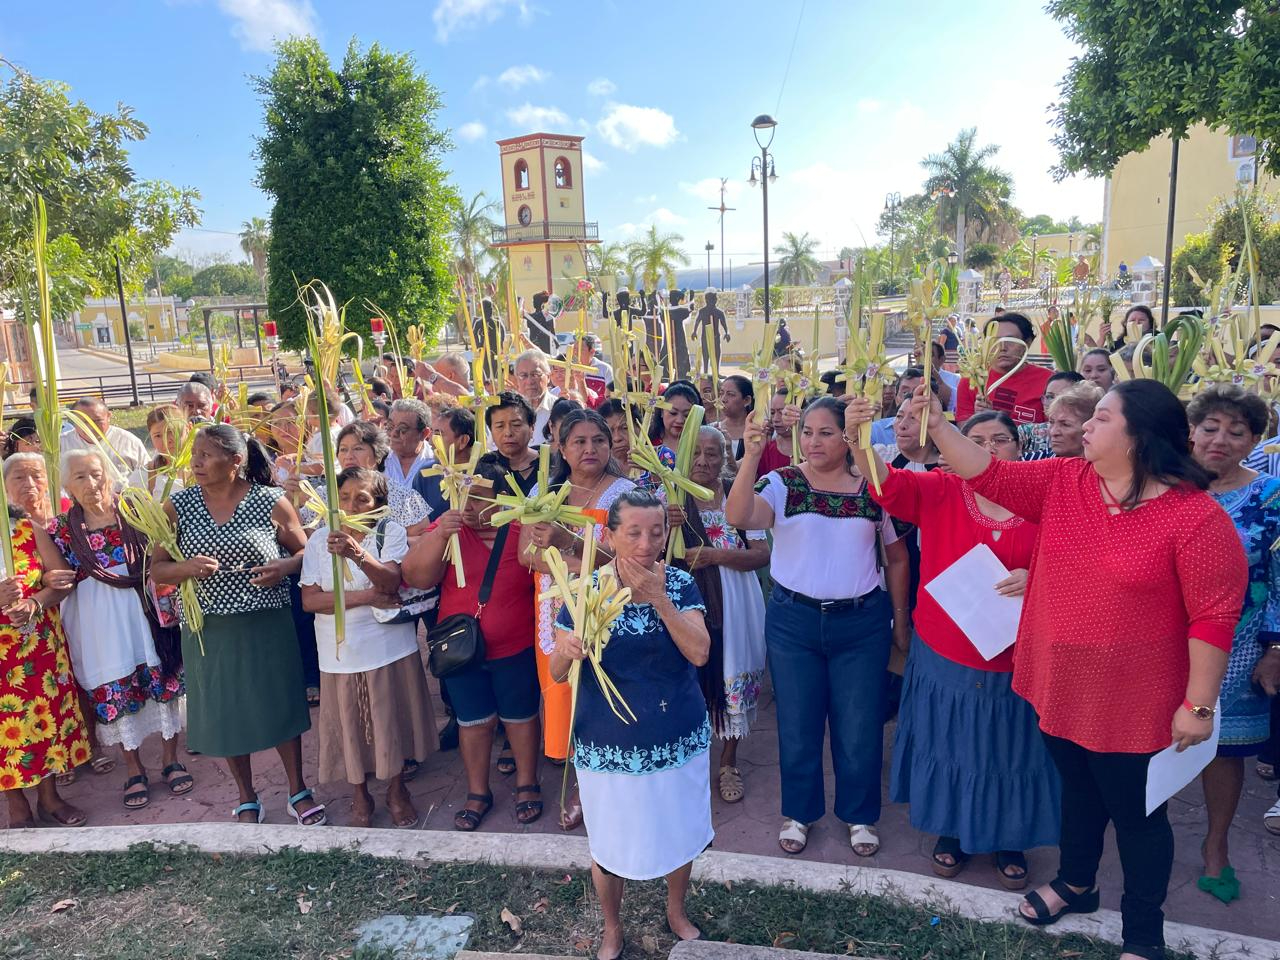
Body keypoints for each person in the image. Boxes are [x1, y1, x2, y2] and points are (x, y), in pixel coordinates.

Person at [911, 379, 1247, 960]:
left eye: (1103, 418)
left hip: (1132, 704)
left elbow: (1213, 619)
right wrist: (938, 425)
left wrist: (1198, 705)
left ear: (1138, 437)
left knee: (1138, 819)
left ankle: (1143, 934)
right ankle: (1076, 883)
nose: (1086, 425)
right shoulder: (1067, 480)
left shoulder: (1194, 519)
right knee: (1078, 793)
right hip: (1057, 685)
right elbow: (988, 474)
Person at [844, 401, 1056, 888]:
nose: (987, 449)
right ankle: (952, 832)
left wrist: (1038, 575)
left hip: (1018, 657)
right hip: (946, 652)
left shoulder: (1045, 497)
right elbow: (885, 484)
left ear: (1020, 447)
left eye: (999, 440)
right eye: (974, 441)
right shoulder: (941, 490)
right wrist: (858, 438)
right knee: (951, 744)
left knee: (1011, 750)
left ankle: (1010, 839)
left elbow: (1080, 558)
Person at [726, 397, 910, 857]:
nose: (814, 441)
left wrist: (900, 622)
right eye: (807, 432)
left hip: (861, 623)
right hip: (794, 622)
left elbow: (897, 557)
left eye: (826, 432)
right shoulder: (782, 483)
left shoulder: (872, 487)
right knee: (798, 722)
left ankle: (860, 815)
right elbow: (738, 516)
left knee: (859, 723)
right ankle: (800, 812)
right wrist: (750, 456)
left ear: (848, 437)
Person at [551, 489, 711, 959]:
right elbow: (557, 673)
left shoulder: (678, 584)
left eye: (656, 533)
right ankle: (612, 926)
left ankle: (676, 910)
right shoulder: (585, 590)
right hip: (608, 743)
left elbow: (699, 652)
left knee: (679, 830)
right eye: (634, 532)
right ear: (610, 536)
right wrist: (567, 649)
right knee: (610, 842)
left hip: (675, 737)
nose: (646, 544)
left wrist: (660, 600)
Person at [151, 425, 324, 826]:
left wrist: (283, 567)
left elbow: (305, 552)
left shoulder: (270, 501)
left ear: (235, 461)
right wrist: (186, 568)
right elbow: (157, 568)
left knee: (279, 702)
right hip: (208, 628)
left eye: (206, 455)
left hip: (266, 624)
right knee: (226, 709)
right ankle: (247, 796)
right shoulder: (178, 505)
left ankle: (298, 789)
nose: (196, 462)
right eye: (194, 454)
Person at [404, 459, 542, 830]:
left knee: (520, 718)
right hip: (460, 650)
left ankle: (527, 783)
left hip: (515, 647)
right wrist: (439, 535)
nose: (470, 506)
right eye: (464, 496)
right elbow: (415, 576)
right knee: (473, 722)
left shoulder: (520, 529)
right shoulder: (448, 529)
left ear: (503, 499)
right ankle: (478, 791)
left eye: (480, 497)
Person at [52, 449, 190, 810]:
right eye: (80, 477)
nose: (91, 483)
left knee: (162, 682)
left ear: (109, 475)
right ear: (68, 486)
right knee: (117, 692)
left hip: (145, 613)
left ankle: (171, 760)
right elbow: (57, 578)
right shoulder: (61, 529)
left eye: (96, 473)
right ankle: (134, 769)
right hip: (98, 625)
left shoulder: (136, 510)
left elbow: (165, 549)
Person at [520, 409, 636, 830]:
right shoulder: (544, 491)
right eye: (579, 442)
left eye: (599, 440)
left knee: (606, 696)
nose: (590, 449)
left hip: (607, 609)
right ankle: (583, 780)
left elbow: (630, 558)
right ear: (562, 448)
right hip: (556, 613)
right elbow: (525, 555)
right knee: (566, 694)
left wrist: (567, 545)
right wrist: (572, 565)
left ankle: (601, 786)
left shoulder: (625, 494)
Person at [1186, 386, 1280, 902]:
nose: (1220, 439)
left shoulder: (1271, 496)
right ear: (1191, 431)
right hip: (1157, 637)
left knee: (1223, 749)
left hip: (1239, 644)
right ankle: (1139, 832)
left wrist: (1276, 648)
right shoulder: (1164, 486)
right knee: (1141, 741)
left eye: (1236, 431)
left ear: (1253, 441)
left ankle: (1216, 846)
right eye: (1210, 428)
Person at [300, 467, 433, 829]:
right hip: (340, 652)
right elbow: (311, 601)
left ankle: (397, 790)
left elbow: (390, 582)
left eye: (362, 499)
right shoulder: (319, 540)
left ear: (378, 503)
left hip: (387, 646)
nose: (351, 506)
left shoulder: (389, 531)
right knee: (349, 723)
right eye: (343, 498)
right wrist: (366, 597)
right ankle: (360, 793)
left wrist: (356, 553)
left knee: (390, 719)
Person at [683, 426, 769, 804]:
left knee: (734, 672)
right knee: (690, 681)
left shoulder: (740, 494)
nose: (703, 461)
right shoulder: (669, 496)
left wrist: (715, 556)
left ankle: (728, 762)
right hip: (688, 603)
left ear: (725, 458)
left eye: (712, 453)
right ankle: (689, 763)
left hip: (737, 601)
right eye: (695, 452)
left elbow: (761, 555)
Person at [0, 504, 87, 828]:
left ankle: (49, 799)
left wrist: (35, 602)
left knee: (43, 717)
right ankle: (16, 803)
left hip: (37, 648)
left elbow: (64, 582)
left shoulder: (26, 530)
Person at [296, 421, 431, 537]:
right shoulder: (324, 495)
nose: (349, 456)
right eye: (343, 449)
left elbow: (421, 540)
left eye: (358, 448)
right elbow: (303, 536)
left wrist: (382, 544)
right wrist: (293, 499)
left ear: (378, 455)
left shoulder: (403, 498)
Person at [954, 312, 1054, 424]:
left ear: (1027, 343)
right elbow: (963, 426)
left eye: (1011, 341)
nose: (1002, 348)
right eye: (994, 341)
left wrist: (996, 421)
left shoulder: (1049, 381)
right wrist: (979, 420)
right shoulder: (972, 379)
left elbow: (1056, 428)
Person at [60, 398, 147, 479]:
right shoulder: (61, 444)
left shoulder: (129, 441)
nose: (91, 427)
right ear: (74, 420)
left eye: (97, 421)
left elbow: (147, 474)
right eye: (84, 422)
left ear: (108, 416)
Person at [599, 399, 674, 490]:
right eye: (610, 431)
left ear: (640, 426)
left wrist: (654, 468)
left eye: (625, 428)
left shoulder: (664, 456)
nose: (617, 438)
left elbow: (675, 490)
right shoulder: (599, 466)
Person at [483, 392, 539, 493]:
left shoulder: (551, 464)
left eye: (516, 425)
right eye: (500, 426)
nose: (508, 433)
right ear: (491, 430)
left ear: (532, 428)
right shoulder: (484, 468)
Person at [384, 398, 435, 487]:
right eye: (390, 426)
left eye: (402, 429)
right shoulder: (378, 458)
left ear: (424, 433)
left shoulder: (436, 464)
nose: (393, 434)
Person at [1046, 383, 1103, 459]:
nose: (1053, 432)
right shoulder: (1034, 460)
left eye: (1065, 424)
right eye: (1051, 422)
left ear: (1090, 428)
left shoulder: (1112, 464)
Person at [4, 453, 62, 528]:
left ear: (48, 482)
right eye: (19, 477)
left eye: (37, 476)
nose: (30, 484)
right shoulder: (3, 518)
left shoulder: (63, 509)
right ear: (4, 483)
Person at [145, 404, 190, 497]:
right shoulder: (145, 475)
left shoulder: (207, 470)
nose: (166, 440)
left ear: (188, 429)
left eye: (171, 431)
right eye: (158, 436)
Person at [514, 350, 557, 439]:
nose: (529, 381)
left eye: (535, 374)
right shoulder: (511, 411)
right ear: (517, 379)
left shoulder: (558, 409)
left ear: (548, 377)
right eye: (523, 375)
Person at [756, 392, 797, 478]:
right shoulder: (766, 448)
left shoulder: (811, 449)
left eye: (782, 412)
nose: (775, 419)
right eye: (772, 413)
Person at [714, 375, 754, 459]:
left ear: (747, 400)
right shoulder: (713, 429)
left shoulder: (757, 431)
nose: (723, 399)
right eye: (721, 393)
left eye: (731, 394)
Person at [652, 382, 700, 451]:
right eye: (673, 413)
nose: (679, 420)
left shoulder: (700, 444)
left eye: (687, 415)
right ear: (662, 412)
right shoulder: (647, 441)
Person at [693, 290, 729, 373]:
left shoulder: (719, 312)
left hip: (716, 337)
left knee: (717, 354)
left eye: (715, 299)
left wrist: (727, 332)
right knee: (706, 355)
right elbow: (697, 321)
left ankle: (716, 372)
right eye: (713, 299)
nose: (715, 300)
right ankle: (705, 372)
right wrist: (694, 332)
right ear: (707, 300)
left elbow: (723, 323)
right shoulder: (702, 311)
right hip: (705, 337)